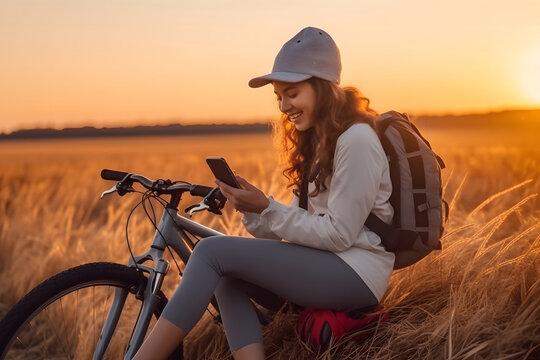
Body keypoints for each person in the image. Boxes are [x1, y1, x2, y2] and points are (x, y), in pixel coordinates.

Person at [132, 26, 394, 360]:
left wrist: (268, 208)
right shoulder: (322, 141)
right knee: (227, 277)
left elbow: (339, 234)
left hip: (355, 274)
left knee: (210, 252)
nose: (284, 105)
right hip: (328, 265)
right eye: (279, 96)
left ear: (321, 87)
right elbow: (306, 225)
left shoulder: (356, 140)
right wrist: (254, 208)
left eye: (293, 93)